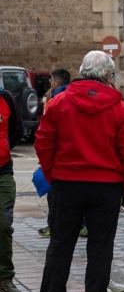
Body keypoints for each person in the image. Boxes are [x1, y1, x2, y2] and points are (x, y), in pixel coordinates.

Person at [32, 51, 124, 292]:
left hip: (66, 183)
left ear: (82, 70)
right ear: (108, 75)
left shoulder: (59, 102)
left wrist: (52, 175)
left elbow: (43, 141)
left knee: (60, 243)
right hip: (106, 185)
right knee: (101, 245)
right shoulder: (118, 107)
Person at [38, 68, 89, 239]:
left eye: (51, 80)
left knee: (56, 196)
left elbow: (45, 135)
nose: (50, 84)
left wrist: (47, 166)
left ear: (57, 82)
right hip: (80, 158)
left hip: (60, 159)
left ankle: (55, 226)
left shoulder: (55, 100)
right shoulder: (80, 98)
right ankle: (80, 225)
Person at [0, 79, 25, 292]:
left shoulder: (6, 98)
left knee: (3, 225)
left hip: (2, 173)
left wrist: (5, 149)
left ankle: (5, 278)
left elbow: (18, 129)